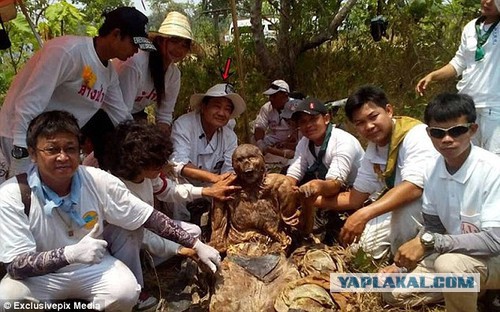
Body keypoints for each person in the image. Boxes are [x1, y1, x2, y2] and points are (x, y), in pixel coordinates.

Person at [0, 111, 220, 311]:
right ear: (32, 153)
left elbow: (148, 217)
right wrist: (69, 254)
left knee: (126, 292)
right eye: (51, 149)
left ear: (80, 149)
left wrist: (196, 245)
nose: (63, 156)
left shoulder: (97, 180)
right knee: (7, 299)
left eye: (70, 148)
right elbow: (16, 266)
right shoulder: (13, 194)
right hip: (41, 277)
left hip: (91, 267)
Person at [0, 7, 155, 178]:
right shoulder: (67, 52)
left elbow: (122, 116)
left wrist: (148, 148)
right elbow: (29, 103)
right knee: (16, 199)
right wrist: (20, 152)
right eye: (134, 44)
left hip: (48, 147)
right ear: (116, 34)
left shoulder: (109, 73)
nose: (135, 52)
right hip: (16, 136)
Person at [103, 120, 239, 310]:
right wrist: (182, 250)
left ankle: (149, 265)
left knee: (193, 231)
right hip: (121, 238)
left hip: (146, 230)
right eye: (156, 165)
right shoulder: (115, 186)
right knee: (130, 236)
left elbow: (169, 191)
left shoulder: (146, 176)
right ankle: (136, 287)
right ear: (137, 162)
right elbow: (143, 233)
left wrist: (206, 192)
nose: (162, 168)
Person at [383, 93, 500, 312]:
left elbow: (495, 242)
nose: (447, 139)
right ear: (429, 134)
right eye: (438, 133)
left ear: (472, 130)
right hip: (460, 256)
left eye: (457, 131)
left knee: (450, 266)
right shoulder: (432, 170)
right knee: (392, 292)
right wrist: (400, 269)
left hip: (493, 258)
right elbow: (434, 227)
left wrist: (432, 243)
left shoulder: (493, 170)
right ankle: (474, 290)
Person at [315, 85, 437, 261]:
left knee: (405, 210)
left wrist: (364, 214)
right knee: (363, 251)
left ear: (388, 110)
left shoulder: (416, 135)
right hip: (402, 204)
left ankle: (408, 265)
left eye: (373, 117)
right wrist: (312, 200)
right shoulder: (374, 149)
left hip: (432, 207)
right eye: (360, 123)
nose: (369, 126)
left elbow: (414, 188)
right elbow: (355, 198)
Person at [415, 0, 500, 155]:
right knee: (466, 156)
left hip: (494, 106)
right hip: (467, 106)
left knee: (495, 158)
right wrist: (434, 75)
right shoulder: (471, 27)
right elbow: (459, 63)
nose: (488, 2)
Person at [285, 98, 364, 241]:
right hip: (327, 190)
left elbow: (334, 184)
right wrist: (283, 188)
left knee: (341, 239)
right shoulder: (304, 143)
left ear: (326, 118)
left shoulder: (343, 141)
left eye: (313, 119)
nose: (308, 125)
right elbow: (293, 173)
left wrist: (312, 190)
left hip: (355, 195)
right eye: (303, 122)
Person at [112, 11, 198, 135]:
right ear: (160, 41)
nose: (179, 49)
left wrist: (161, 140)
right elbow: (121, 113)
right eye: (174, 41)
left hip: (134, 117)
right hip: (110, 115)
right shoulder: (136, 64)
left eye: (184, 45)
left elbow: (165, 114)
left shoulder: (173, 75)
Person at [169, 83, 245, 221]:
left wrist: (221, 183)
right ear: (203, 107)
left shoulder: (229, 136)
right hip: (183, 182)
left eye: (227, 109)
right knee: (175, 182)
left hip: (213, 184)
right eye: (217, 106)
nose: (222, 113)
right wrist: (215, 179)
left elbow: (229, 169)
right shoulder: (184, 125)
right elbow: (178, 164)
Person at [253, 80, 295, 154]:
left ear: (285, 95)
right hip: (275, 138)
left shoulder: (296, 106)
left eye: (274, 96)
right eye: (270, 96)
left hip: (293, 138)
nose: (270, 99)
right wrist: (260, 143)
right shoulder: (267, 107)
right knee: (254, 140)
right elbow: (260, 126)